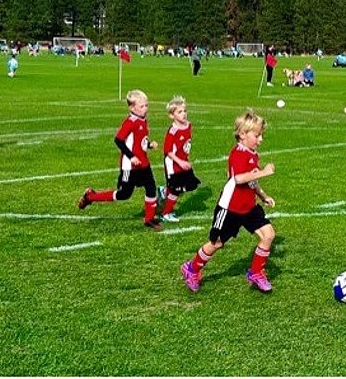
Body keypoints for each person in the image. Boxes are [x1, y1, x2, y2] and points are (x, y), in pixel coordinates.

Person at [179, 110, 277, 293]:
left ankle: (256, 272)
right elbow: (238, 178)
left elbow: (251, 179)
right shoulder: (237, 154)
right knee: (216, 243)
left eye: (261, 135)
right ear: (242, 135)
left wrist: (263, 195)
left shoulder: (253, 154)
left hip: (249, 206)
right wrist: (264, 172)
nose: (260, 139)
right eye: (257, 135)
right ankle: (192, 269)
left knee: (268, 235)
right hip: (230, 208)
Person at [77, 90, 163, 230]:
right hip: (130, 166)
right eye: (141, 106)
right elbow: (119, 140)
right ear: (132, 108)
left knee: (151, 188)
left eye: (146, 105)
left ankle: (149, 219)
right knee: (124, 194)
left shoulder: (143, 120)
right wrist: (132, 157)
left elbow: (137, 142)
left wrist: (148, 145)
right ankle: (90, 197)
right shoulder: (130, 121)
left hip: (143, 163)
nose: (145, 109)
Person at [157, 96, 200, 223]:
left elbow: (184, 146)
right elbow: (168, 151)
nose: (184, 114)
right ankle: (166, 213)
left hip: (183, 162)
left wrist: (185, 160)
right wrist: (180, 161)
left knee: (190, 185)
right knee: (177, 189)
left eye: (184, 111)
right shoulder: (173, 131)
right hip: (173, 164)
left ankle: (164, 191)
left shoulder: (188, 125)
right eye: (179, 112)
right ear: (172, 116)